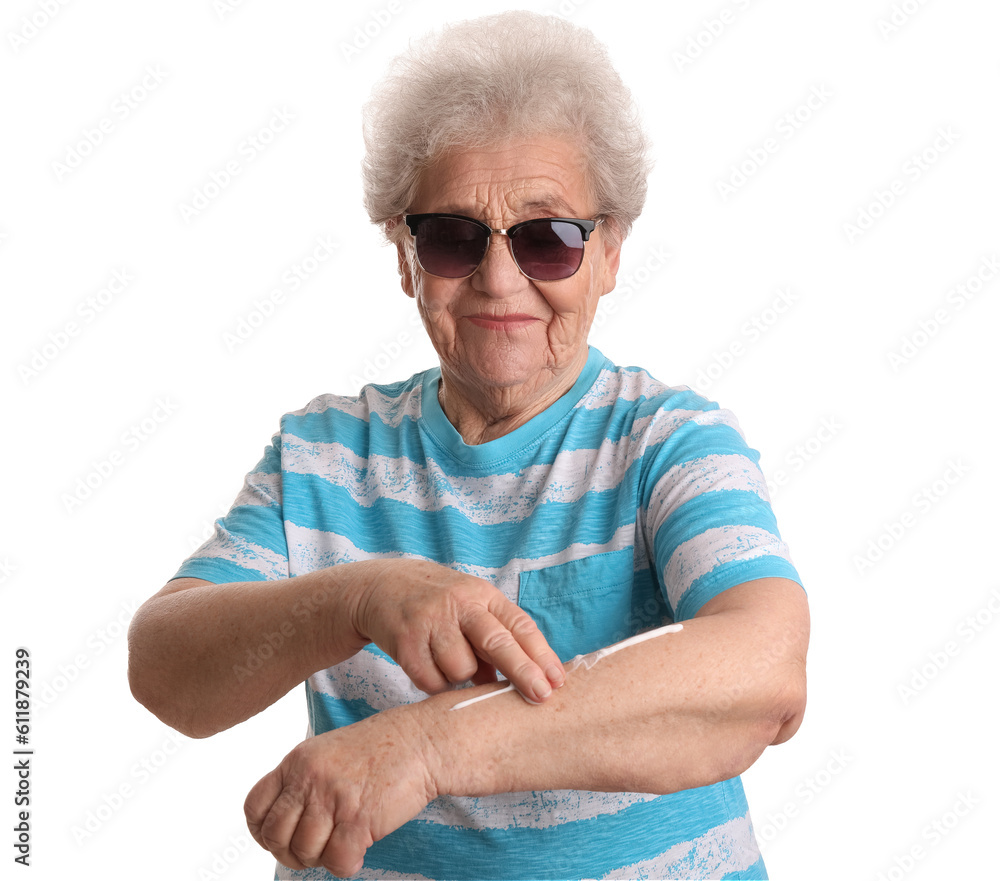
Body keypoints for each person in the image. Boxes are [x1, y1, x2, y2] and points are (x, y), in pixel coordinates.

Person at [128, 11, 809, 880]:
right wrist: (359, 598)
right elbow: (166, 672)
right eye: (454, 236)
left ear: (608, 254)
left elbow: (765, 670)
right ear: (406, 258)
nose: (498, 278)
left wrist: (428, 748)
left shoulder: (672, 441)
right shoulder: (322, 454)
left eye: (548, 237)